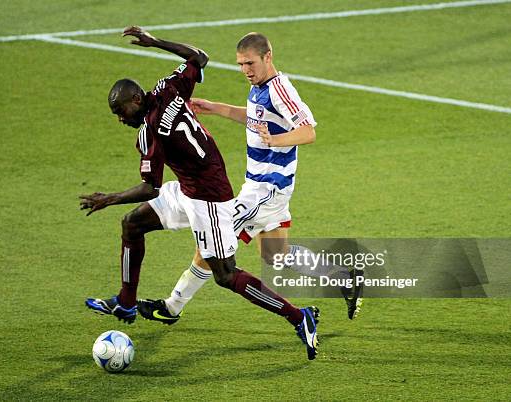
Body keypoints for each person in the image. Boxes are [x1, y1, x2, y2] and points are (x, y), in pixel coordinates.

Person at [80, 26, 319, 360]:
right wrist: (154, 42)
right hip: (193, 188)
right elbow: (198, 57)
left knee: (226, 273)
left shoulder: (150, 134)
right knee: (132, 224)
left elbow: (151, 186)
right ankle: (128, 302)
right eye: (240, 64)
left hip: (212, 200)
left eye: (122, 112)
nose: (121, 120)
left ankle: (299, 315)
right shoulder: (167, 88)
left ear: (136, 101)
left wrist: (108, 198)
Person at [137, 32, 363, 325]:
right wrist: (217, 108)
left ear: (268, 56)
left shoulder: (280, 89)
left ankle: (172, 307)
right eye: (241, 64)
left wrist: (278, 139)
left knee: (212, 244)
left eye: (250, 63)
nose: (245, 70)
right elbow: (257, 116)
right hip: (261, 187)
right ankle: (344, 277)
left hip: (267, 189)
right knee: (275, 255)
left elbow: (308, 131)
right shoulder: (259, 87)